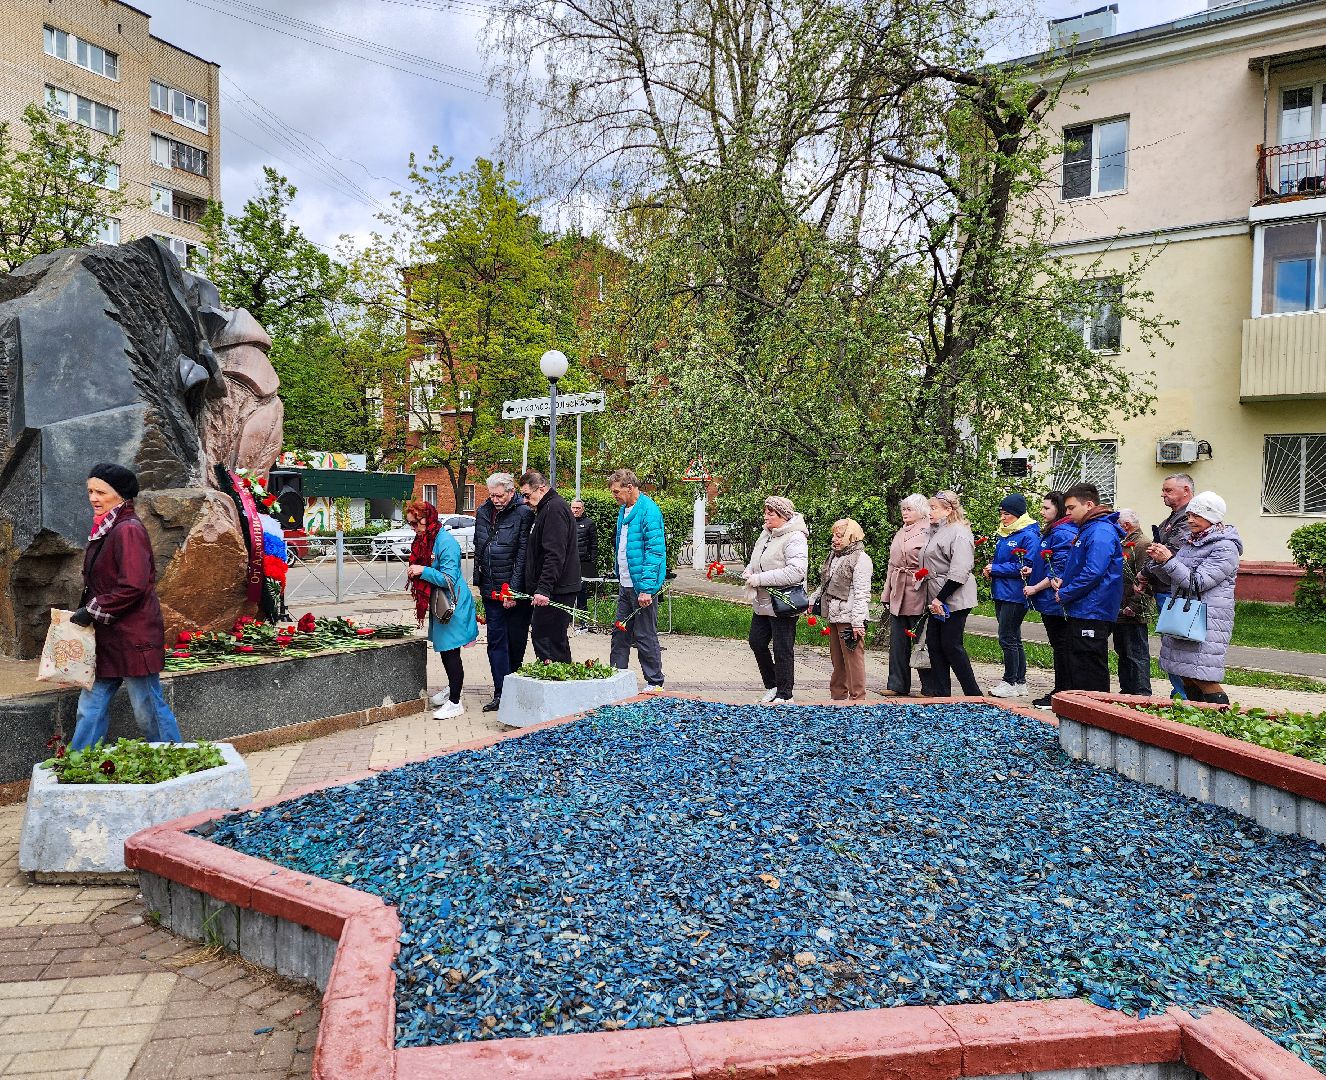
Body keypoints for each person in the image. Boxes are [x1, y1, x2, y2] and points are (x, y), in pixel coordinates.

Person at [67, 463, 183, 751]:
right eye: (90, 491)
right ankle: (79, 763)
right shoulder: (110, 527)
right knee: (90, 707)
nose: (93, 498)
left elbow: (133, 585)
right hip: (110, 638)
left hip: (133, 638)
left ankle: (172, 757)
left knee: (148, 710)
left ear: (120, 495)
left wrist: (91, 610)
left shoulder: (127, 530)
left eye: (101, 492)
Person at [1147, 491, 1242, 705]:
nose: (1190, 520)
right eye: (1189, 515)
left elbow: (1197, 582)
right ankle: (1196, 718)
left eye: (1197, 516)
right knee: (1187, 675)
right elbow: (1175, 577)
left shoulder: (1225, 547)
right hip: (1186, 615)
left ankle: (1221, 719)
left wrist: (1169, 560)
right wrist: (1158, 562)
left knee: (1203, 676)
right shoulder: (1191, 542)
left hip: (1207, 619)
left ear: (1213, 517)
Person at [405, 500, 478, 720]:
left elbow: (448, 578)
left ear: (430, 518)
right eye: (411, 524)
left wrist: (422, 570)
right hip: (442, 603)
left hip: (452, 605)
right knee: (446, 650)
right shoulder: (428, 538)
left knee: (450, 651)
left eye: (417, 523)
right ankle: (453, 689)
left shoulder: (446, 542)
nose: (414, 528)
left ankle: (455, 702)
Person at [1054, 483, 1124, 693]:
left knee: (1089, 668)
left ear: (1089, 505)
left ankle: (1095, 715)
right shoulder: (1089, 529)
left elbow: (1093, 572)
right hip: (1084, 607)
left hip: (1093, 609)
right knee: (1078, 665)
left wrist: (1066, 593)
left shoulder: (1100, 531)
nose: (1066, 513)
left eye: (1071, 507)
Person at [473, 472, 534, 711]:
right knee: (496, 641)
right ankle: (500, 691)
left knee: (515, 640)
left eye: (499, 495)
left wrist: (513, 590)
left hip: (514, 589)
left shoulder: (524, 513)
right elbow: (479, 547)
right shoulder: (483, 512)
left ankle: (514, 686)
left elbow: (522, 554)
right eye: (492, 495)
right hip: (490, 588)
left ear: (511, 492)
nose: (495, 499)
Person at [742, 496, 809, 704]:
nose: (766, 516)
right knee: (757, 641)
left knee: (782, 648)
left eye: (771, 513)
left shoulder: (795, 537)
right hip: (763, 600)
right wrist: (749, 571)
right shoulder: (765, 534)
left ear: (783, 516)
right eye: (766, 512)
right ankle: (772, 685)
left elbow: (796, 572)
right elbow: (757, 560)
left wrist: (759, 579)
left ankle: (785, 693)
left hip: (784, 601)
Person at [917, 490, 981, 697]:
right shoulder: (933, 531)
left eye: (934, 508)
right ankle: (942, 693)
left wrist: (939, 598)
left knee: (951, 644)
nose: (929, 512)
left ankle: (973, 694)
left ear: (948, 510)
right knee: (934, 644)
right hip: (936, 596)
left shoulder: (959, 531)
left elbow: (960, 570)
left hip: (955, 596)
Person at [608, 469, 667, 692]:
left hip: (641, 587)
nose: (614, 495)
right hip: (626, 583)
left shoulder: (649, 511)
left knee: (644, 634)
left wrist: (647, 589)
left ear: (629, 487)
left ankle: (655, 681)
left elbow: (655, 552)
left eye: (617, 491)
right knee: (620, 632)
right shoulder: (624, 511)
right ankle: (616, 677)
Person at [518, 470, 581, 664]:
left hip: (556, 590)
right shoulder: (547, 508)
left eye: (527, 495)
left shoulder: (554, 509)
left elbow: (554, 553)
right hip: (555, 588)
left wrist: (544, 588)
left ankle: (558, 684)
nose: (525, 501)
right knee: (550, 638)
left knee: (548, 639)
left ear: (542, 488)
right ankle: (558, 681)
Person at [1023, 492, 1079, 709]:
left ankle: (1062, 691)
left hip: (1055, 600)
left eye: (1047, 508)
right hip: (1049, 600)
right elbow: (1047, 562)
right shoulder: (1055, 530)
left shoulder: (1063, 532)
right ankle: (1062, 689)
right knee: (1060, 646)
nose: (1042, 512)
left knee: (1062, 647)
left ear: (1060, 509)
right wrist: (1032, 569)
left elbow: (1060, 569)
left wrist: (1036, 587)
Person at [1144, 473, 1196, 699]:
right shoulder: (1173, 519)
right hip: (1165, 588)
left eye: (1168, 490)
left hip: (1175, 592)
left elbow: (1172, 555)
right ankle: (1180, 694)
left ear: (1186, 490)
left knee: (1178, 649)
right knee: (1171, 648)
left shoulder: (1187, 520)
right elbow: (1156, 551)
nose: (1162, 494)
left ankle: (1185, 698)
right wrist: (1145, 572)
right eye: (1163, 490)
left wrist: (1145, 572)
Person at [808, 518, 873, 701]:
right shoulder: (834, 556)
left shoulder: (861, 559)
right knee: (837, 660)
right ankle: (837, 696)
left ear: (852, 537)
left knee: (853, 659)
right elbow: (826, 585)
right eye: (834, 536)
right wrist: (812, 600)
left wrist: (858, 622)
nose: (835, 540)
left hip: (850, 617)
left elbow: (862, 593)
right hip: (834, 614)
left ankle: (858, 698)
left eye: (840, 536)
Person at [984, 493, 1040, 698]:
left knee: (1007, 637)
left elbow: (1027, 566)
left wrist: (996, 568)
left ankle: (1010, 681)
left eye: (1006, 514)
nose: (1002, 518)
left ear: (1018, 514)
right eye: (1001, 513)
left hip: (1016, 594)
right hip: (1002, 591)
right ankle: (1019, 682)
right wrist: (991, 569)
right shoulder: (1006, 534)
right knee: (1013, 637)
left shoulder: (1029, 535)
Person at [879, 494, 931, 697]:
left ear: (921, 511)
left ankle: (929, 686)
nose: (905, 513)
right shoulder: (901, 532)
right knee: (898, 640)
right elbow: (892, 565)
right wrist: (886, 592)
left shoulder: (928, 530)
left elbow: (931, 562)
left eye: (909, 509)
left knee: (921, 639)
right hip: (898, 589)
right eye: (903, 509)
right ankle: (897, 684)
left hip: (918, 588)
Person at [1112, 508, 1153, 697]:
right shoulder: (1127, 543)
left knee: (1136, 653)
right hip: (1121, 608)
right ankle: (1127, 690)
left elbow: (1146, 579)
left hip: (1134, 610)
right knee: (1123, 651)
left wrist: (1134, 605)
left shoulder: (1142, 544)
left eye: (1117, 524)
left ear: (1126, 525)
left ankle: (1141, 693)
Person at [571, 497, 598, 634]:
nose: (575, 510)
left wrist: (592, 562)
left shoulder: (589, 524)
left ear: (583, 509)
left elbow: (594, 545)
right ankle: (568, 619)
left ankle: (583, 621)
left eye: (578, 508)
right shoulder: (565, 522)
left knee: (582, 592)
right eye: (573, 508)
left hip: (583, 563)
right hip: (568, 563)